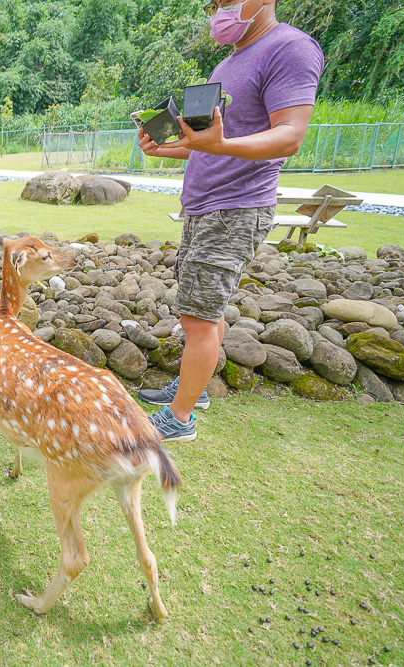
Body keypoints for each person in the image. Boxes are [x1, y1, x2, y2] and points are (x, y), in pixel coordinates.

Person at [137, 0, 324, 442]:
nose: (219, 9)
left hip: (237, 206)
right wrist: (163, 148)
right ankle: (193, 393)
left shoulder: (291, 48)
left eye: (226, 0)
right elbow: (212, 142)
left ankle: (179, 421)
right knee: (203, 309)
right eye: (214, 4)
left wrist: (216, 146)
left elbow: (290, 135)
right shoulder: (229, 61)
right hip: (204, 206)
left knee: (197, 317)